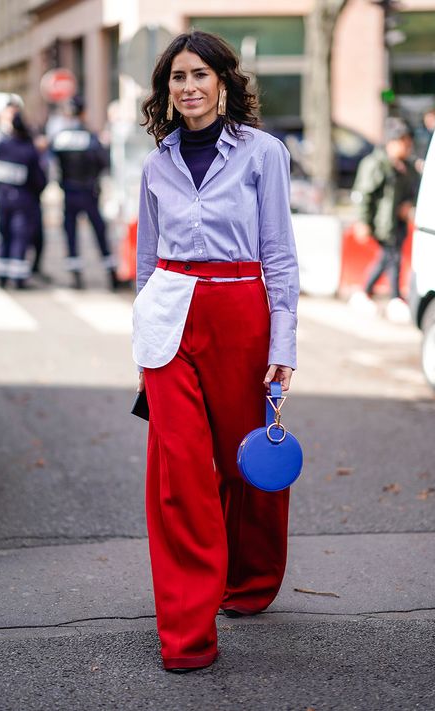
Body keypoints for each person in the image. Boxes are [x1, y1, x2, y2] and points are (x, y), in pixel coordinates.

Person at [133, 30, 299, 673]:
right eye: (177, 77)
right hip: (170, 314)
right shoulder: (156, 164)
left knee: (244, 464)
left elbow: (279, 256)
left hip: (240, 311)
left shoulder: (263, 154)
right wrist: (143, 343)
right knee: (179, 477)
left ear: (224, 82)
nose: (189, 86)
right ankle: (187, 633)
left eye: (200, 74)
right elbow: (148, 262)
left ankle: (251, 581)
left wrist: (282, 341)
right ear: (166, 91)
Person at [350, 117, 420, 321]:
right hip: (382, 223)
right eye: (403, 141)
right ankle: (383, 295)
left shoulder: (407, 167)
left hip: (397, 223)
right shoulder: (376, 164)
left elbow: (413, 191)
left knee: (390, 258)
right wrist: (363, 221)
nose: (407, 146)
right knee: (391, 258)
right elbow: (364, 194)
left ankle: (380, 295)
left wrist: (408, 206)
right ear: (392, 141)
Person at [51, 95, 119, 290]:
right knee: (99, 232)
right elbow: (104, 162)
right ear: (83, 112)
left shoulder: (60, 136)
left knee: (71, 233)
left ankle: (76, 276)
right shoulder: (91, 137)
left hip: (69, 192)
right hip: (89, 192)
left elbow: (52, 162)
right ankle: (111, 274)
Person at [0, 107, 47, 288]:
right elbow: (40, 179)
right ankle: (17, 279)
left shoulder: (2, 145)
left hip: (3, 200)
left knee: (5, 235)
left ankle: (1, 276)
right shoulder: (28, 150)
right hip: (23, 202)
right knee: (19, 237)